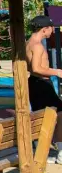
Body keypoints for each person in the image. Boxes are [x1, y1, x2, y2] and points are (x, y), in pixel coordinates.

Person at [26, 15, 62, 160]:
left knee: (46, 116)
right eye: (51, 28)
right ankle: (58, 152)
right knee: (59, 114)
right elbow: (36, 68)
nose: (52, 30)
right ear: (44, 29)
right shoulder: (37, 46)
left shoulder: (28, 43)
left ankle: (47, 151)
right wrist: (57, 72)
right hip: (41, 84)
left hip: (36, 84)